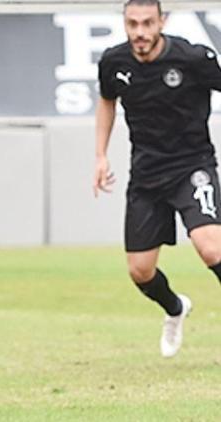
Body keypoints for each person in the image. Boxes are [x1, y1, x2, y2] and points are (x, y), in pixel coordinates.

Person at [94, 0, 221, 357]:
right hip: (147, 175)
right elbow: (106, 100)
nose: (140, 32)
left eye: (147, 23)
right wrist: (100, 155)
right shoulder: (114, 62)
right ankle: (176, 308)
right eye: (132, 24)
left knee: (212, 247)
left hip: (192, 165)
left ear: (161, 22)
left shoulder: (193, 58)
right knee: (140, 271)